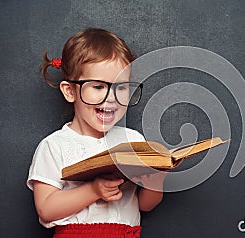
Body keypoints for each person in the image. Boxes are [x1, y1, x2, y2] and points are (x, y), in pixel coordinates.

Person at [27, 28, 165, 238]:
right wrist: (93, 190)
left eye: (121, 88)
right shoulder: (54, 145)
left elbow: (145, 205)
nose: (111, 98)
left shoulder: (133, 141)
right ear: (70, 91)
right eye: (99, 87)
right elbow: (46, 209)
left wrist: (157, 178)